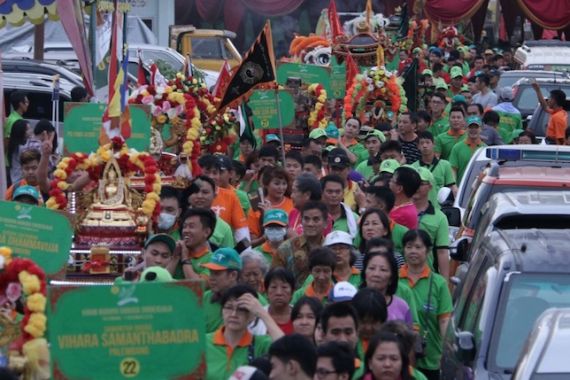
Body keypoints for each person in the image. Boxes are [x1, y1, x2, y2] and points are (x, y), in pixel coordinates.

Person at [398, 230, 452, 380]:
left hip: (430, 357)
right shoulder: (394, 280)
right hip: (398, 357)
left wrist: (447, 352)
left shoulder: (438, 283)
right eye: (409, 247)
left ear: (428, 251)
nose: (413, 251)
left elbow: (444, 320)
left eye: (418, 247)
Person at [206, 285, 284, 380]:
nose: (233, 314)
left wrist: (262, 313)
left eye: (242, 309)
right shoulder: (203, 342)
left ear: (253, 315)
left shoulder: (260, 344)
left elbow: (289, 351)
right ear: (222, 311)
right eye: (229, 307)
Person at [273, 201, 328, 288]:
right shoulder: (285, 249)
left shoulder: (330, 249)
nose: (310, 224)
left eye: (316, 219)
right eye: (306, 219)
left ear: (325, 223)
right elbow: (275, 281)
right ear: (301, 221)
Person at [200, 155, 251, 244]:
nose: (211, 176)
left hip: (225, 252)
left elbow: (242, 231)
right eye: (207, 172)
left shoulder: (231, 196)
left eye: (215, 173)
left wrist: (245, 255)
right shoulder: (190, 195)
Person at [412, 168, 450, 280]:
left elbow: (442, 252)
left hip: (427, 278)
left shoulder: (440, 218)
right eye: (413, 183)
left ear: (430, 186)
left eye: (421, 184)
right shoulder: (400, 211)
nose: (416, 187)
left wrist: (445, 284)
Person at [360, 250, 415, 326]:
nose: (376, 274)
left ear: (391, 278)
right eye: (372, 268)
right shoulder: (355, 302)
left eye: (383, 270)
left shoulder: (402, 306)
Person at [185, 175, 235, 248]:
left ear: (214, 195)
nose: (199, 196)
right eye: (195, 192)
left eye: (205, 192)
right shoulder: (179, 220)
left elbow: (228, 257)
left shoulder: (224, 228)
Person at [249, 167, 294, 247]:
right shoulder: (258, 206)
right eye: (277, 184)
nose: (281, 188)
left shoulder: (293, 204)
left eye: (284, 183)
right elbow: (251, 242)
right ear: (266, 184)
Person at [202, 247, 243, 333]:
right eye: (210, 272)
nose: (211, 278)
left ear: (233, 275)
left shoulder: (251, 302)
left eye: (216, 273)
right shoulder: (203, 298)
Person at [411, 131, 457, 207]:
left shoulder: (445, 165)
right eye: (421, 143)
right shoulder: (413, 167)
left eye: (428, 142)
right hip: (419, 208)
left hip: (440, 208)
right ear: (418, 146)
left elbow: (452, 187)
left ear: (434, 144)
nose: (425, 146)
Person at [171, 208, 216, 280]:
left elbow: (198, 286)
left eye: (191, 226)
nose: (185, 231)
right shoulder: (176, 252)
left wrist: (185, 259)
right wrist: (175, 258)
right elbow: (162, 281)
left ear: (206, 232)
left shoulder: (213, 259)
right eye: (184, 226)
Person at [352, 288, 388, 361]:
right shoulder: (346, 344)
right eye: (363, 321)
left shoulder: (392, 346)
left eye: (374, 322)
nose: (368, 328)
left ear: (383, 321)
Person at [449, 115, 487, 183]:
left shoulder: (485, 149)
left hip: (479, 190)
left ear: (481, 129)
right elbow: (453, 169)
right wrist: (454, 187)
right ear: (466, 129)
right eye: (470, 127)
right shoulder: (457, 148)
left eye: (476, 127)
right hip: (462, 190)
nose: (473, 130)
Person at [531, 80, 568, 145]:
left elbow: (560, 138)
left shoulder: (557, 117)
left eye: (550, 98)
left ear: (554, 101)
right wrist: (537, 90)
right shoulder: (557, 112)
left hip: (554, 146)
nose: (548, 101)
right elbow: (544, 106)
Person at [321, 175, 358, 239]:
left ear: (343, 193)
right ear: (322, 193)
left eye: (338, 192)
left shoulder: (354, 219)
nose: (334, 195)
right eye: (330, 192)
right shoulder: (315, 217)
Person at [288, 173, 323, 238]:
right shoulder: (293, 213)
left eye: (294, 191)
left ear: (307, 194)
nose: (291, 196)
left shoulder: (323, 217)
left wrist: (292, 235)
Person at [7, 119, 31, 184]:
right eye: (28, 129)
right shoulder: (21, 148)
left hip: (14, 179)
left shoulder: (14, 145)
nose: (31, 131)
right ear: (22, 132)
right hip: (20, 180)